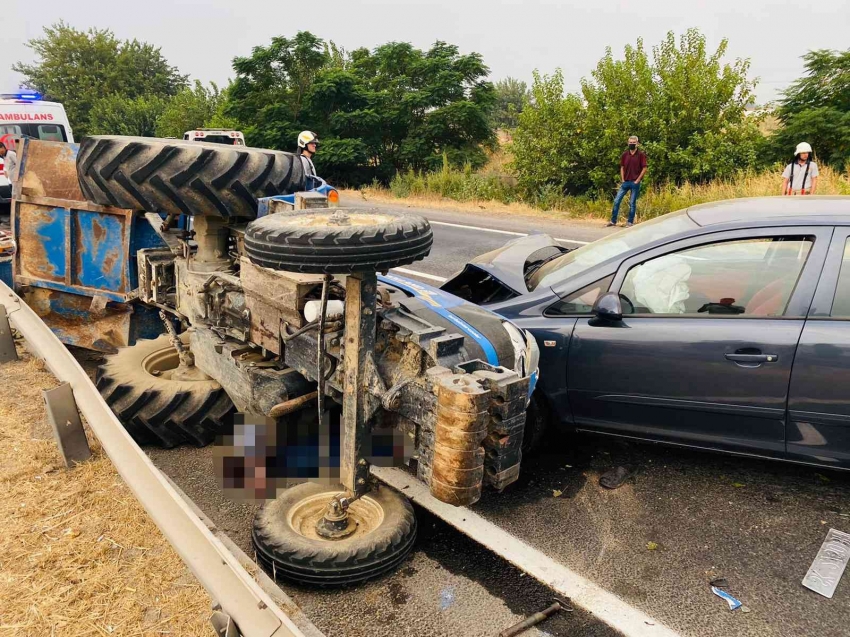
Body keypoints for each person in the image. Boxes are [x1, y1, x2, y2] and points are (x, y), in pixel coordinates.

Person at [608, 135, 647, 228]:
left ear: (637, 144)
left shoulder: (641, 155)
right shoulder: (625, 154)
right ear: (628, 143)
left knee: (632, 203)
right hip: (625, 182)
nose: (632, 144)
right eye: (630, 143)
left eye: (633, 143)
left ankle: (630, 222)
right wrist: (622, 179)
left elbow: (644, 168)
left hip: (635, 182)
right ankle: (613, 221)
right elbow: (622, 167)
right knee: (617, 201)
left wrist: (638, 180)